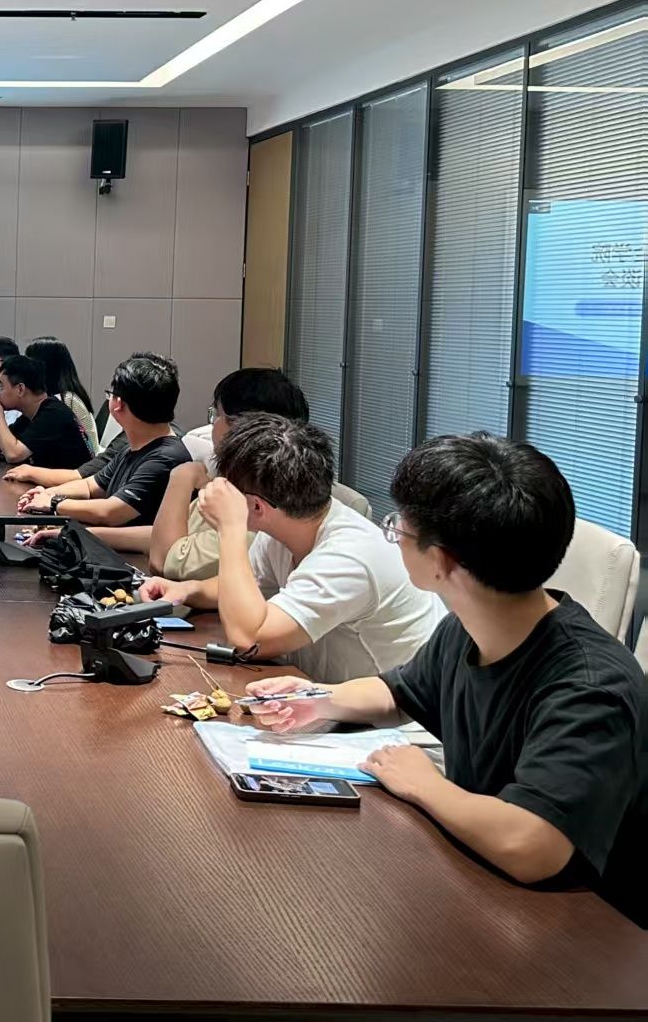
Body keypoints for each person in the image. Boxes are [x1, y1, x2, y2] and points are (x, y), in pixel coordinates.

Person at [247, 434, 644, 927]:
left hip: (582, 932)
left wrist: (424, 785)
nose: (394, 536)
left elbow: (533, 844)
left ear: (443, 561)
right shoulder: (472, 624)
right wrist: (319, 699)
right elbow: (401, 691)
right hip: (482, 889)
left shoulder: (589, 686)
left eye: (400, 528)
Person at [140, 413, 444, 681]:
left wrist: (230, 528)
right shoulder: (289, 523)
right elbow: (247, 586)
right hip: (315, 694)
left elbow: (249, 638)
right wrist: (189, 590)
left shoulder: (348, 557)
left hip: (388, 720)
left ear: (256, 506)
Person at [145, 368, 370, 577]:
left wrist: (182, 478)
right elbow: (176, 535)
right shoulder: (236, 480)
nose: (212, 425)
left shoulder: (264, 504)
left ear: (241, 429)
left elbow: (164, 560)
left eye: (216, 415)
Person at [9, 353, 192, 546]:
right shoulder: (134, 447)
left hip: (133, 558)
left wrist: (54, 503)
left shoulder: (165, 457)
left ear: (118, 403)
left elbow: (111, 512)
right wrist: (48, 494)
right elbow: (91, 486)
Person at [0, 355, 89, 469]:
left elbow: (13, 455)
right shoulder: (31, 414)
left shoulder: (53, 414)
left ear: (20, 389)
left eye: (0, 386)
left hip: (73, 479)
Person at [24, 336, 99, 460]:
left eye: (29, 363)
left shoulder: (65, 401)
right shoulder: (60, 397)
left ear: (45, 366)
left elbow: (16, 452)